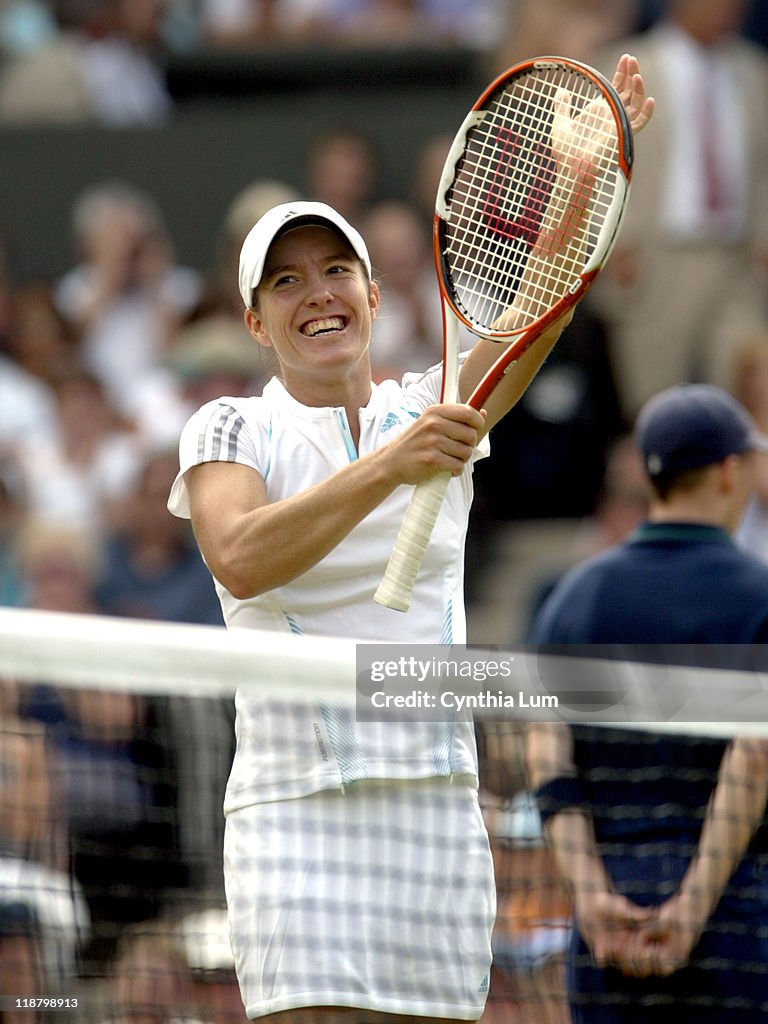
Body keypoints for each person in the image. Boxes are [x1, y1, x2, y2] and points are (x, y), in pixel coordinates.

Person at [167, 57, 653, 1023]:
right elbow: (242, 555)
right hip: (296, 811)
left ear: (375, 296)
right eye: (288, 281)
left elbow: (538, 306)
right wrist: (392, 466)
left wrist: (591, 171)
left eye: (337, 269)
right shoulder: (228, 427)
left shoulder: (435, 407)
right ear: (258, 322)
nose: (319, 293)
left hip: (434, 808)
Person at [528, 383, 768, 1021]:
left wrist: (592, 896)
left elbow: (546, 757)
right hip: (739, 924)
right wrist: (689, 911)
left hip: (609, 927)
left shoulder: (571, 599)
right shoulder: (761, 596)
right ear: (727, 471)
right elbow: (756, 756)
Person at [593, 0, 768, 419]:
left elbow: (762, 167)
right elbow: (600, 157)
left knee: (752, 383)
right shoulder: (628, 64)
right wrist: (618, 240)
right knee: (655, 403)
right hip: (657, 259)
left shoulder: (753, 71)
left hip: (733, 260)